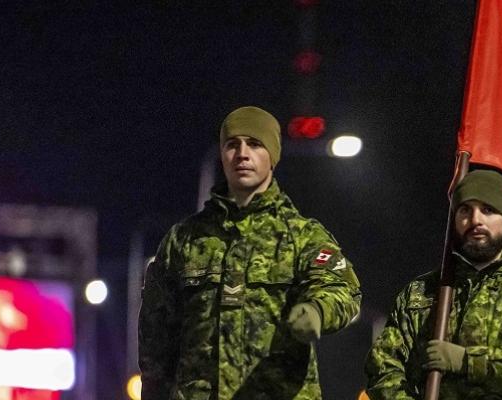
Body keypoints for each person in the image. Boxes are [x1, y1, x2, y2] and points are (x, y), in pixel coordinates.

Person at [139, 106, 361, 399]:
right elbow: (155, 335)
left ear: (273, 156)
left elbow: (341, 288)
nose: (242, 154)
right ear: (222, 154)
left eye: (255, 144)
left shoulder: (302, 236)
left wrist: (318, 311)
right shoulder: (184, 240)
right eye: (232, 145)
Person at [364, 170, 502, 399]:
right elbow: (383, 366)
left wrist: (469, 361)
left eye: (488, 210)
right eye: (465, 210)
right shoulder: (422, 292)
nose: (475, 220)